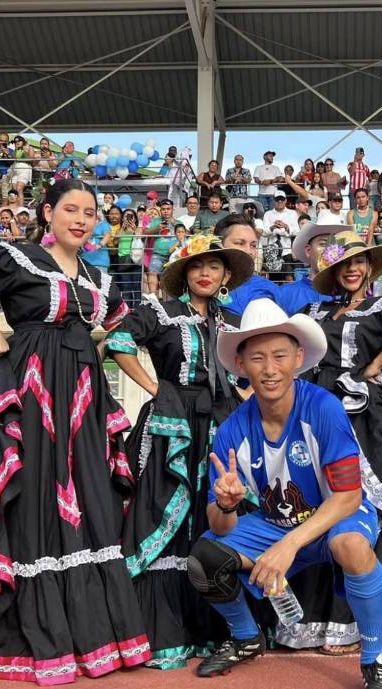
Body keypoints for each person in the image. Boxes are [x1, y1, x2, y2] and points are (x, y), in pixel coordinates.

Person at [0, 178, 150, 681]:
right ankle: (24, 626)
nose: (81, 220)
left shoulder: (101, 279)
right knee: (35, 494)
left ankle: (91, 634)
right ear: (48, 213)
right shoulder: (12, 256)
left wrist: (111, 357)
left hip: (81, 396)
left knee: (86, 498)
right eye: (71, 210)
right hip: (30, 385)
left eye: (89, 212)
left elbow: (125, 325)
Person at [185, 298, 382, 689]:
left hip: (335, 516)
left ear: (298, 357)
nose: (270, 370)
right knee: (203, 559)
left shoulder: (323, 407)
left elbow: (349, 496)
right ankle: (246, 637)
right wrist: (226, 502)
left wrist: (288, 546)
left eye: (280, 356)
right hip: (275, 522)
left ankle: (375, 660)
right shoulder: (232, 430)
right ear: (240, 365)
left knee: (352, 546)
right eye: (257, 359)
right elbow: (217, 525)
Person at [107, 235, 251, 668]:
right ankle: (159, 631)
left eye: (214, 267)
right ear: (185, 274)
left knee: (221, 513)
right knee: (161, 512)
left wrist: (244, 398)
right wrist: (156, 389)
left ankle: (223, 629)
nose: (205, 273)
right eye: (196, 266)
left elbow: (257, 364)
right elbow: (118, 344)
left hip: (223, 425)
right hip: (173, 425)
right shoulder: (159, 312)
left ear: (226, 276)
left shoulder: (235, 319)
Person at [281, 231, 382, 655]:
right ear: (331, 271)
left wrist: (375, 366)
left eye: (359, 262)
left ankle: (363, 619)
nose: (352, 270)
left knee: (368, 504)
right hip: (317, 412)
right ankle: (317, 617)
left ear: (370, 268)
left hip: (368, 416)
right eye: (343, 264)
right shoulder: (313, 309)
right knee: (317, 503)